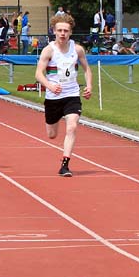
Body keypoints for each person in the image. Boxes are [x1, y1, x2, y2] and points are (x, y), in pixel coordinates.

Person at [35, 14, 92, 177]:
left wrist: (89, 86)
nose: (62, 33)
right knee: (51, 135)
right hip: (53, 97)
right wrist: (49, 85)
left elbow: (87, 69)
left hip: (71, 94)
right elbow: (39, 73)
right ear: (54, 31)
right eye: (59, 30)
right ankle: (55, 121)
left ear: (70, 32)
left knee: (72, 126)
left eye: (65, 31)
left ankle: (65, 164)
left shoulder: (78, 49)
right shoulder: (48, 50)